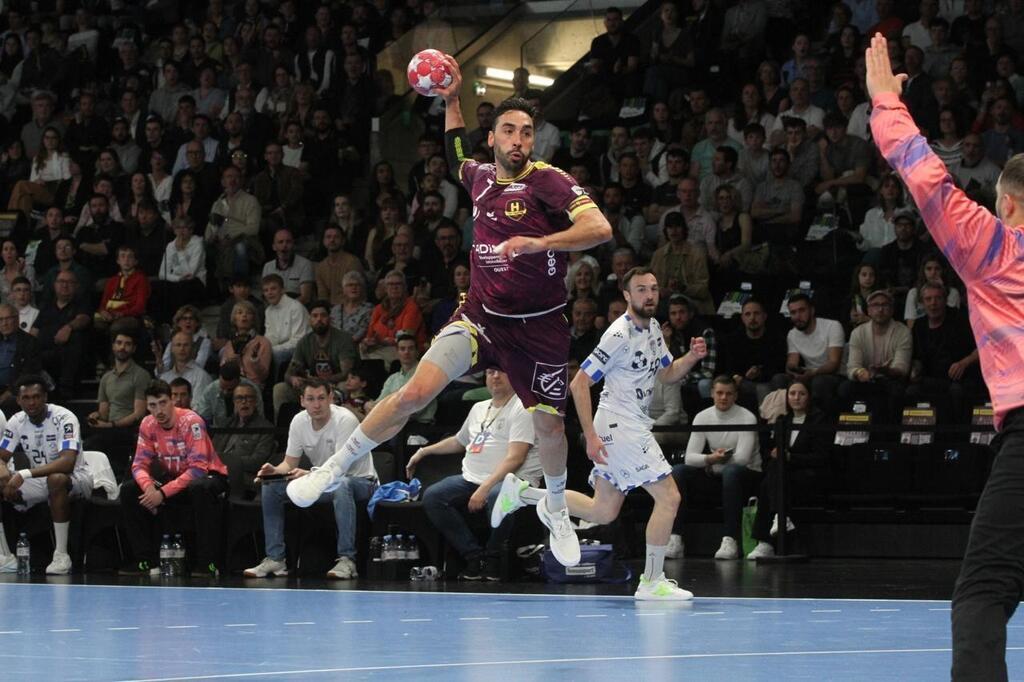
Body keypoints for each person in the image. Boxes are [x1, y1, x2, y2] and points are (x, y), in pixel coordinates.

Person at [285, 55, 612, 570]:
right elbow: (454, 147)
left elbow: (600, 229)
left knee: (550, 430)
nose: (519, 140)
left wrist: (538, 242)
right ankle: (332, 468)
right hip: (480, 316)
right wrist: (452, 97)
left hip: (538, 329)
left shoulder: (548, 181)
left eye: (527, 132)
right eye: (509, 130)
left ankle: (555, 507)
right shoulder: (479, 177)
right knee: (413, 390)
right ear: (495, 137)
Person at [865, 33, 1024, 677]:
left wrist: (884, 103)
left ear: (1007, 203)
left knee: (983, 592)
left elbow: (926, 177)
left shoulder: (997, 249)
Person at [496, 267, 706, 598]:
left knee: (603, 510)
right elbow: (579, 382)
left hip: (631, 425)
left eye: (653, 288)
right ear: (627, 295)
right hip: (619, 427)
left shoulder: (653, 329)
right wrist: (590, 436)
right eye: (641, 289)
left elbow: (666, 374)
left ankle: (522, 494)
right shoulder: (618, 335)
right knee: (669, 497)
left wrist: (692, 357)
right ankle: (652, 581)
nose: (649, 295)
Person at [410, 368, 543, 581]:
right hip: (472, 478)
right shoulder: (479, 408)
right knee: (434, 496)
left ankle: (493, 557)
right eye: (490, 372)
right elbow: (459, 441)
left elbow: (516, 458)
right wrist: (424, 451)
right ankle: (473, 556)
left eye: (501, 372)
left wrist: (485, 487)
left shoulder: (523, 407)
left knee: (498, 496)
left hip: (514, 480)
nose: (495, 377)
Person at [249, 379, 376, 580]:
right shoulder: (299, 421)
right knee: (271, 487)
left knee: (342, 485)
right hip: (322, 482)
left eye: (321, 398)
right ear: (302, 401)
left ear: (331, 398)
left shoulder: (346, 420)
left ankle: (347, 560)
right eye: (311, 399)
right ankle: (276, 559)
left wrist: (310, 475)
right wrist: (274, 471)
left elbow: (340, 469)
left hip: (360, 482)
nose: (316, 405)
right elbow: (289, 464)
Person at [120, 380, 229, 577]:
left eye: (162, 403)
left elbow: (198, 469)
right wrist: (149, 489)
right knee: (128, 490)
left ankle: (208, 565)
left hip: (209, 477)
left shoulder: (191, 422)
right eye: (153, 405)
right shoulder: (148, 423)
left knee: (200, 488)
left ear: (172, 401)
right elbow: (138, 465)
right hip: (173, 479)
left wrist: (162, 493)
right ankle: (146, 562)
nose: (158, 410)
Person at [0, 376, 90, 575]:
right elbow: (2, 456)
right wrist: (4, 475)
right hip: (40, 481)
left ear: (45, 397)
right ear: (18, 400)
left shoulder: (65, 418)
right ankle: (5, 555)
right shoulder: (16, 421)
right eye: (26, 398)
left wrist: (24, 473)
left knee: (56, 478)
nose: (31, 402)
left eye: (36, 397)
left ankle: (61, 555)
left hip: (77, 478)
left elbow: (67, 463)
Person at [670, 376, 760, 560]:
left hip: (747, 476)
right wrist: (711, 458)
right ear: (712, 393)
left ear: (736, 396)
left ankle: (730, 539)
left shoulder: (747, 417)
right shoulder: (703, 417)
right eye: (719, 393)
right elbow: (690, 458)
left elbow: (742, 459)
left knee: (731, 472)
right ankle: (675, 537)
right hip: (717, 471)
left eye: (728, 394)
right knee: (679, 471)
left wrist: (712, 464)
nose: (723, 397)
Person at [746, 380, 832, 560]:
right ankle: (780, 518)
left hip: (809, 473)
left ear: (809, 397)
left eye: (801, 394)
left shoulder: (819, 420)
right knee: (772, 473)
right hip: (785, 474)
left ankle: (766, 541)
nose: (796, 398)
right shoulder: (783, 420)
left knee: (768, 483)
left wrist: (791, 457)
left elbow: (822, 457)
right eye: (792, 394)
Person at [273, 300, 357, 422]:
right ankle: (281, 432)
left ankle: (335, 427)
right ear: (310, 320)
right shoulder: (304, 342)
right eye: (315, 316)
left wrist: (320, 381)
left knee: (344, 387)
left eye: (323, 315)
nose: (319, 319)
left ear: (330, 318)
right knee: (280, 389)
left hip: (335, 384)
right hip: (311, 385)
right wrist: (293, 379)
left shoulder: (343, 339)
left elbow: (346, 373)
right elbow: (289, 373)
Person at [781, 294, 845, 411]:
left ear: (812, 310)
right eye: (793, 312)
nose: (797, 316)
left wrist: (812, 373)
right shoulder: (792, 334)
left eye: (801, 310)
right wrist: (793, 371)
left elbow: (834, 363)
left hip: (835, 375)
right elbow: (791, 363)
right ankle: (786, 424)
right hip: (809, 374)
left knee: (819, 382)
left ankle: (818, 426)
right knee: (779, 379)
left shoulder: (832, 326)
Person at [214, 383, 275, 501]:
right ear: (234, 402)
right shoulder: (226, 424)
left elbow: (258, 461)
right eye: (239, 398)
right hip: (218, 473)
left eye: (249, 398)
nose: (244, 402)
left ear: (255, 401)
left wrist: (229, 464)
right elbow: (213, 450)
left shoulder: (265, 428)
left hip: (243, 476)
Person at [194, 360, 264, 428]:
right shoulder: (211, 390)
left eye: (230, 389)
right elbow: (202, 418)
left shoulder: (252, 390)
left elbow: (259, 418)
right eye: (222, 387)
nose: (225, 392)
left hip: (247, 432)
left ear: (238, 381)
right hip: (219, 433)